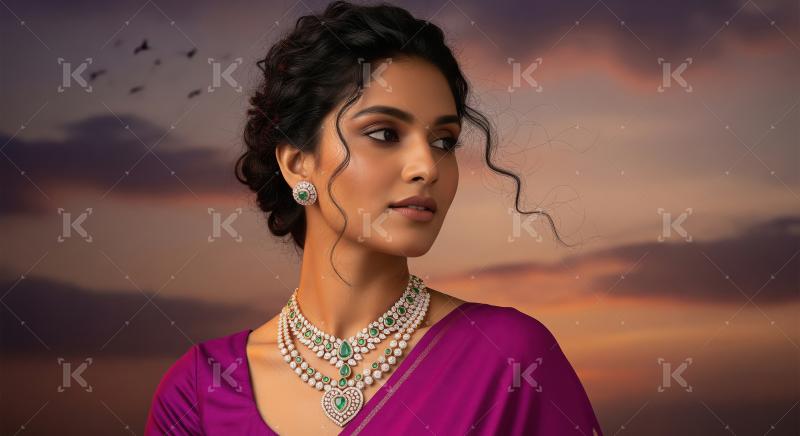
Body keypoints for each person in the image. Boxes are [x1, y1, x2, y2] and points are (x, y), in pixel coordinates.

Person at [145, 1, 603, 434]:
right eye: (385, 133)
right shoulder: (202, 391)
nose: (426, 166)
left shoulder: (511, 359)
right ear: (297, 162)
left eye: (444, 141)